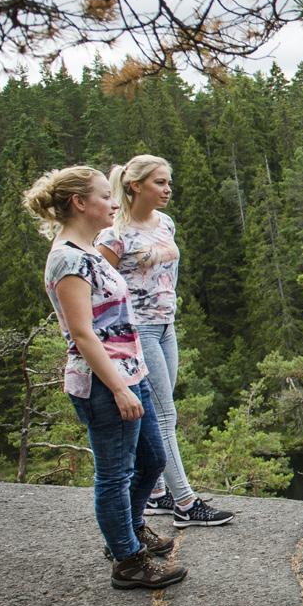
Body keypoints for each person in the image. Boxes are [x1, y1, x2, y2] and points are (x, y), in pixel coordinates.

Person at [24, 165, 188, 590]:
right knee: (115, 473)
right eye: (104, 196)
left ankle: (128, 532)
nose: (114, 202)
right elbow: (81, 333)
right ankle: (127, 560)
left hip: (131, 371)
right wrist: (117, 387)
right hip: (102, 383)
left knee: (152, 457)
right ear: (80, 203)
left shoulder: (90, 250)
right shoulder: (67, 260)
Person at [97, 155, 234, 527]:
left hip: (165, 326)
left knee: (160, 410)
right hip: (137, 331)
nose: (167, 189)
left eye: (168, 181)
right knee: (165, 415)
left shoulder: (165, 224)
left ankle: (156, 494)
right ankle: (186, 505)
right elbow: (98, 288)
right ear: (135, 186)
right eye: (159, 182)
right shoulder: (114, 235)